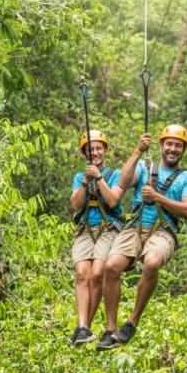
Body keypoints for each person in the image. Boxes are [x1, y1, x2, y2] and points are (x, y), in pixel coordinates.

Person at [95, 124, 187, 350]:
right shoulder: (144, 167)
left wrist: (157, 197)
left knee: (152, 262)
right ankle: (110, 329)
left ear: (183, 150)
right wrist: (137, 151)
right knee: (111, 266)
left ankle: (132, 322)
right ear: (161, 145)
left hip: (164, 230)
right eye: (169, 144)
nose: (173, 149)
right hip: (135, 226)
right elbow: (122, 182)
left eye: (178, 146)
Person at [68, 129, 124, 345]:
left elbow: (112, 201)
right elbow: (75, 205)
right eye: (91, 149)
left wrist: (98, 178)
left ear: (105, 150)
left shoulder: (115, 175)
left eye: (99, 148)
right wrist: (85, 180)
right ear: (85, 153)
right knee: (82, 274)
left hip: (108, 227)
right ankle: (83, 327)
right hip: (84, 229)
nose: (95, 153)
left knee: (97, 273)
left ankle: (88, 326)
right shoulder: (78, 178)